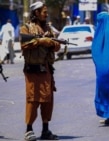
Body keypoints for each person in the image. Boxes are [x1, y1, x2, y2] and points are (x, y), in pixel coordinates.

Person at [19, 1, 61, 140]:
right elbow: (25, 44)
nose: (46, 15)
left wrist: (51, 42)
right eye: (44, 12)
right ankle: (29, 129)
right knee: (33, 99)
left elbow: (57, 45)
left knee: (47, 99)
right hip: (33, 70)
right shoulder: (26, 28)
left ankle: (45, 130)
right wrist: (41, 41)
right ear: (36, 13)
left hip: (46, 69)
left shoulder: (49, 28)